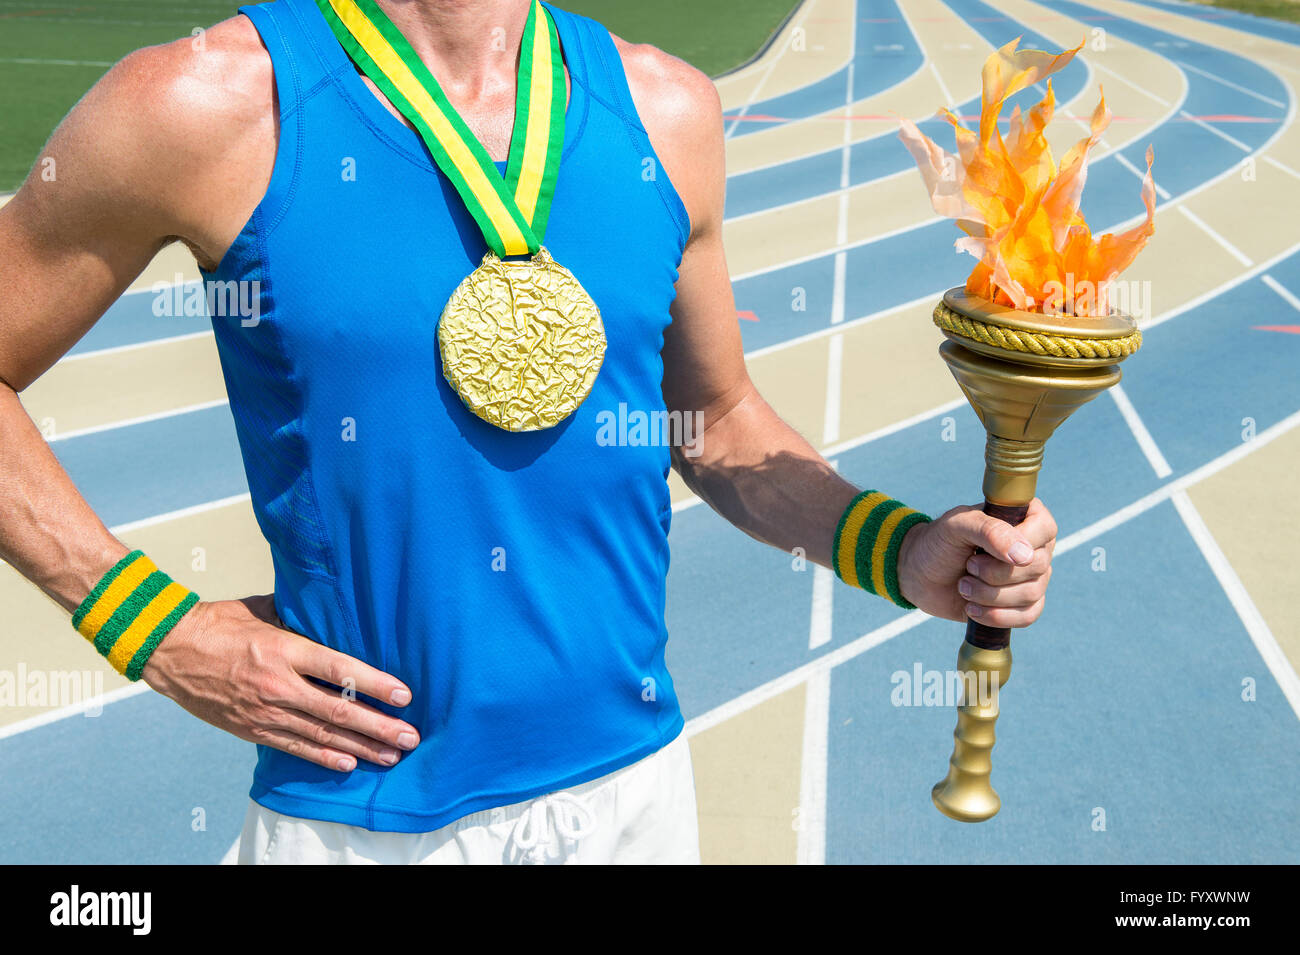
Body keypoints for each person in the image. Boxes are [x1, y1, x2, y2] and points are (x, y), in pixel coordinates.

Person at [0, 0, 1057, 864]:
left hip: (629, 796)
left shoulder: (665, 110)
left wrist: (906, 549)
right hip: (356, 817)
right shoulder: (210, 101)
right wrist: (151, 624)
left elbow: (718, 420)